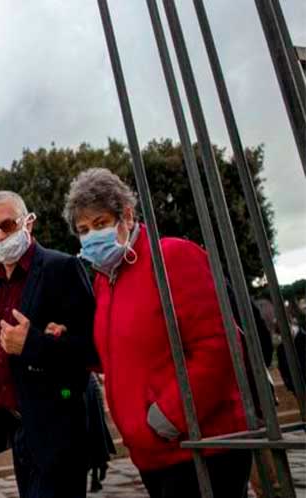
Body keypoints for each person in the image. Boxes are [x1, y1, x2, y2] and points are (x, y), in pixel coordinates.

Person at [63, 168, 250, 498]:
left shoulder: (172, 257)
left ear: (128, 215)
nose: (91, 235)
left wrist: (169, 416)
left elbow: (219, 345)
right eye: (83, 230)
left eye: (101, 223)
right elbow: (118, 354)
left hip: (200, 447)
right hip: (152, 455)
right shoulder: (104, 281)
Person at [0, 191, 97, 498]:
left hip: (60, 428)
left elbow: (92, 349)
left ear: (27, 224)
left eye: (7, 225)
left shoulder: (62, 269)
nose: (0, 235)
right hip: (20, 430)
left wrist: (33, 343)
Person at [85, 373, 115, 493]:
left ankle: (96, 474)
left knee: (95, 430)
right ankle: (99, 466)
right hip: (82, 387)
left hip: (89, 386)